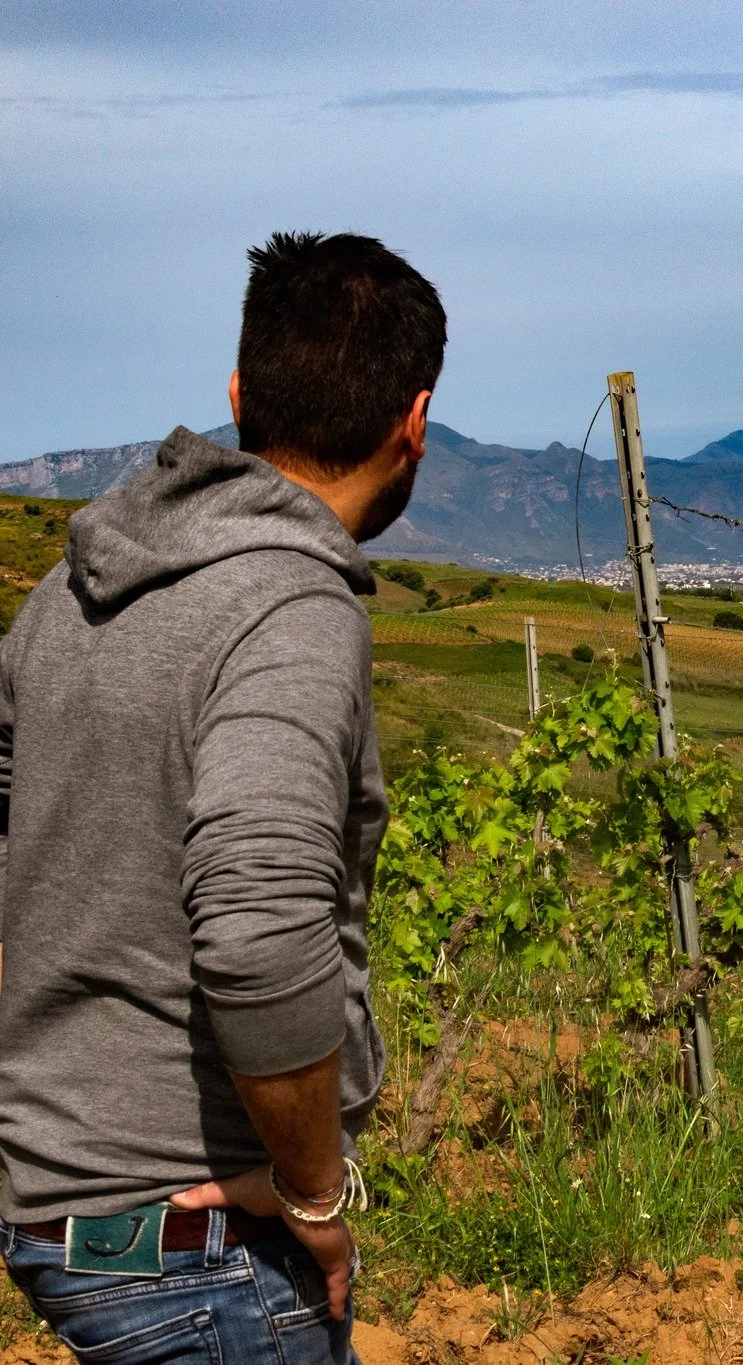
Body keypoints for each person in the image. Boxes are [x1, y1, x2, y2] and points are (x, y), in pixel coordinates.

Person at [0, 231, 443, 1362]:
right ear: (416, 422)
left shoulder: (72, 590)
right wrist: (310, 1195)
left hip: (65, 1220)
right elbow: (256, 927)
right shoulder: (290, 607)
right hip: (200, 1255)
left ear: (239, 393)